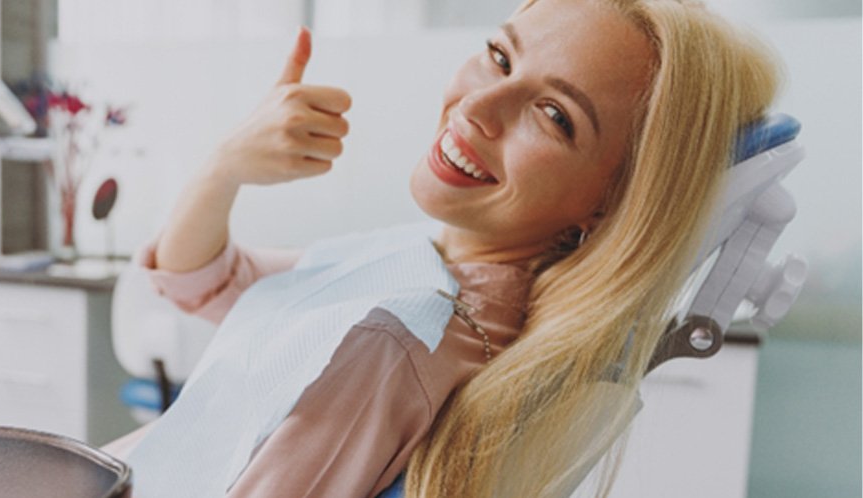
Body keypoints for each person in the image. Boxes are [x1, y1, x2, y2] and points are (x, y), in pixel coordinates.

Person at [103, 0, 781, 496]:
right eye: (499, 56)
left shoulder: (398, 333)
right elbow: (207, 283)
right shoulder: (424, 258)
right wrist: (224, 169)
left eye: (554, 116)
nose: (478, 108)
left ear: (609, 201)